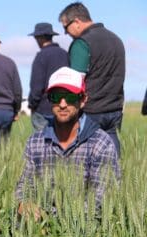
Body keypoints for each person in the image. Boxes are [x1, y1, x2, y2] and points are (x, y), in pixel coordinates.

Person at [15, 67, 120, 219]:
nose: (62, 104)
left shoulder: (101, 143)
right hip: (39, 229)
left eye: (70, 97)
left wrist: (50, 217)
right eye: (56, 97)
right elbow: (23, 186)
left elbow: (101, 200)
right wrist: (24, 203)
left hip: (87, 232)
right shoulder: (35, 142)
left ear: (83, 100)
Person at [59, 2, 125, 155]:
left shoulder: (81, 43)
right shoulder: (116, 40)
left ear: (76, 22)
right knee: (112, 158)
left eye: (65, 27)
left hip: (90, 111)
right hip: (115, 108)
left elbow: (75, 81)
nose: (65, 33)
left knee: (83, 159)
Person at [28, 23, 69, 131]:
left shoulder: (41, 56)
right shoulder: (65, 54)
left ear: (39, 38)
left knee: (41, 144)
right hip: (64, 106)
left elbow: (36, 86)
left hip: (44, 108)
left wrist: (32, 104)